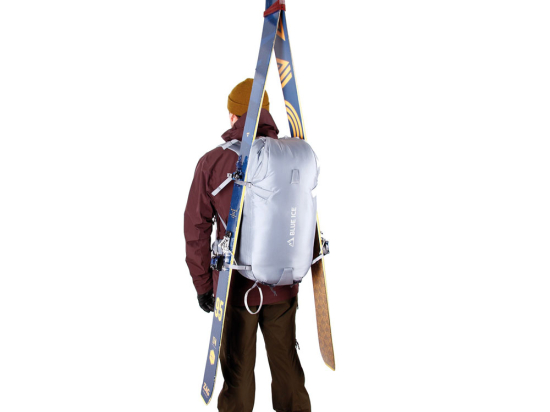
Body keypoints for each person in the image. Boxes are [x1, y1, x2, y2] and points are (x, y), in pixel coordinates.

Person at [184, 78, 311, 412]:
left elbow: (196, 226)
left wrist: (203, 285)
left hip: (236, 289)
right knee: (288, 373)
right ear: (266, 113)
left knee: (238, 378)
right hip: (284, 285)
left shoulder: (213, 162)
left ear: (233, 116)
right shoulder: (292, 157)